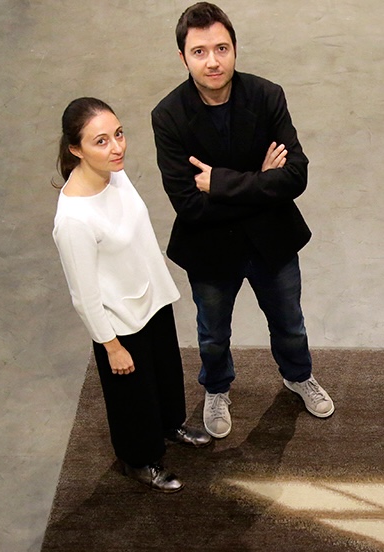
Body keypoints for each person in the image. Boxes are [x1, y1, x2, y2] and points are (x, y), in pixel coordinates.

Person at [151, 2, 334, 439]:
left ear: (234, 48)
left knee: (290, 323)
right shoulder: (168, 116)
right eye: (199, 52)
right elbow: (189, 205)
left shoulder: (267, 96)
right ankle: (216, 388)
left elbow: (296, 175)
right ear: (183, 57)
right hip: (210, 246)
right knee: (213, 335)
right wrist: (262, 182)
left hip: (272, 240)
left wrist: (220, 183)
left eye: (221, 48)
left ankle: (298, 376)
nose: (213, 61)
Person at [52, 97, 211, 493]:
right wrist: (111, 346)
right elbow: (83, 294)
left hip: (150, 298)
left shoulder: (114, 174)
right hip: (120, 322)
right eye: (101, 141)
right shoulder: (73, 220)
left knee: (166, 373)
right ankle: (139, 460)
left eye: (119, 134)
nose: (117, 147)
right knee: (132, 399)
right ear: (75, 149)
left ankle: (171, 425)